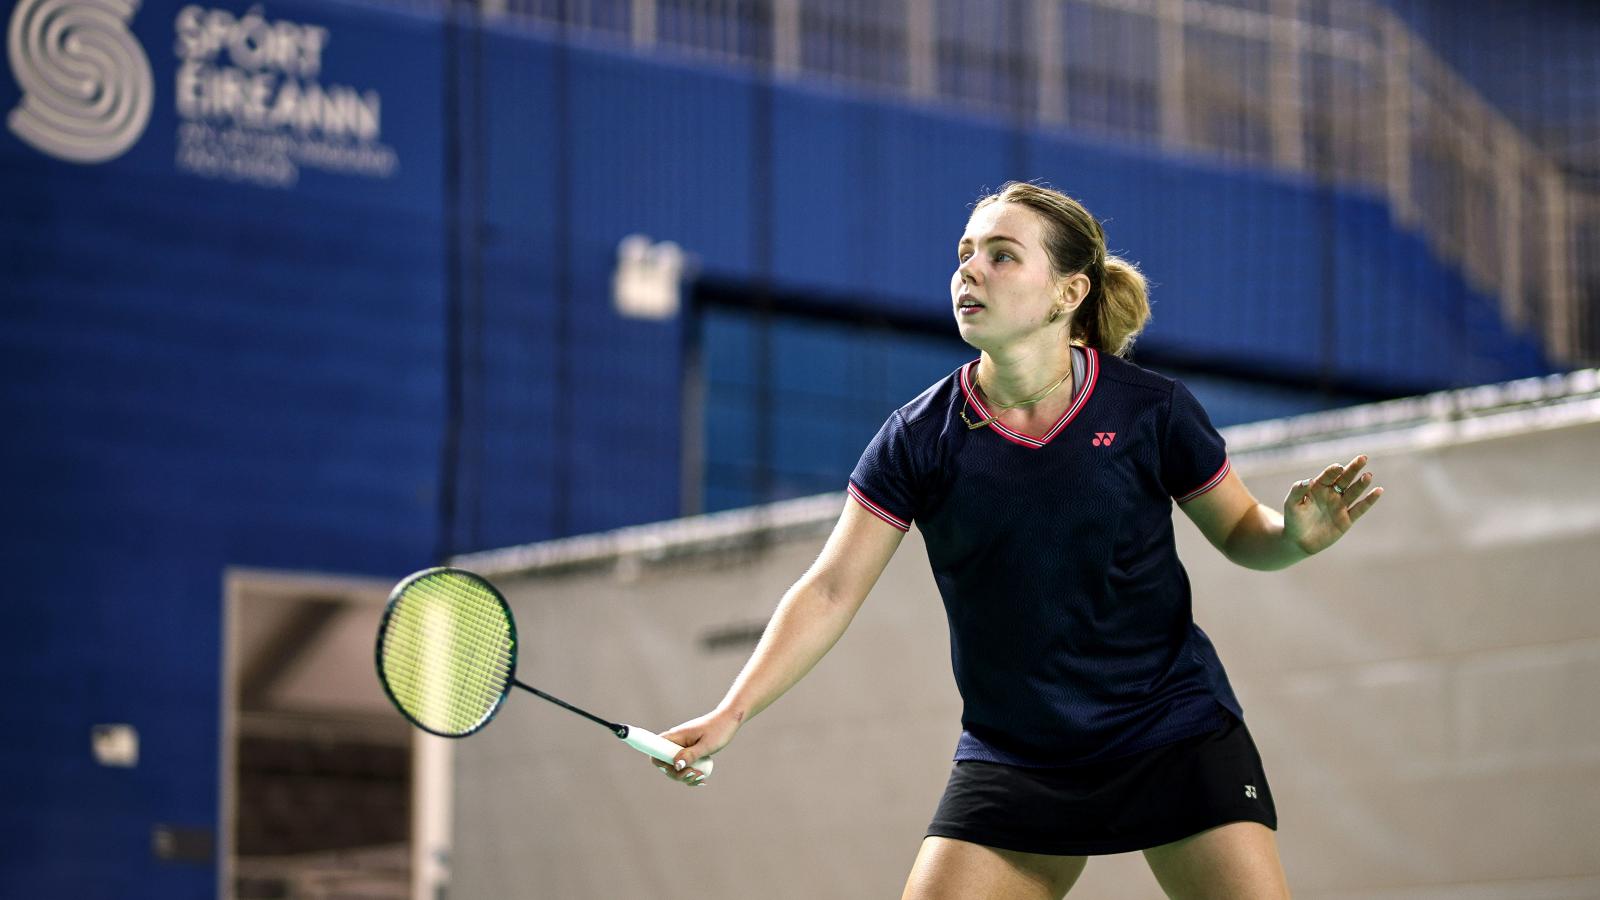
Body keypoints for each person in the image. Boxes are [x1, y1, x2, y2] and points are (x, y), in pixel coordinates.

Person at [652, 181, 1384, 899]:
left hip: (1173, 730)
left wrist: (1293, 536)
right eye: (965, 253)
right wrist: (732, 711)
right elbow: (831, 589)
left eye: (1002, 255)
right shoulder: (918, 438)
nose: (969, 271)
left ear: (1069, 293)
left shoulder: (1150, 409)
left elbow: (1244, 533)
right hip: (1019, 755)